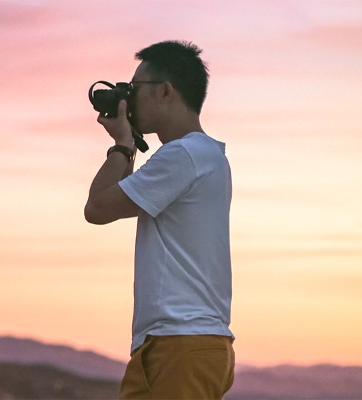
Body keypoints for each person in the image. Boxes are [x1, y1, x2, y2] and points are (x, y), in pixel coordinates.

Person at [83, 40, 236, 399]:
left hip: (180, 343)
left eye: (135, 88)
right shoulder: (202, 156)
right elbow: (113, 200)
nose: (129, 98)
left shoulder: (183, 155)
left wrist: (122, 145)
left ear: (165, 91)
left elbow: (98, 208)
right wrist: (128, 144)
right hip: (175, 342)